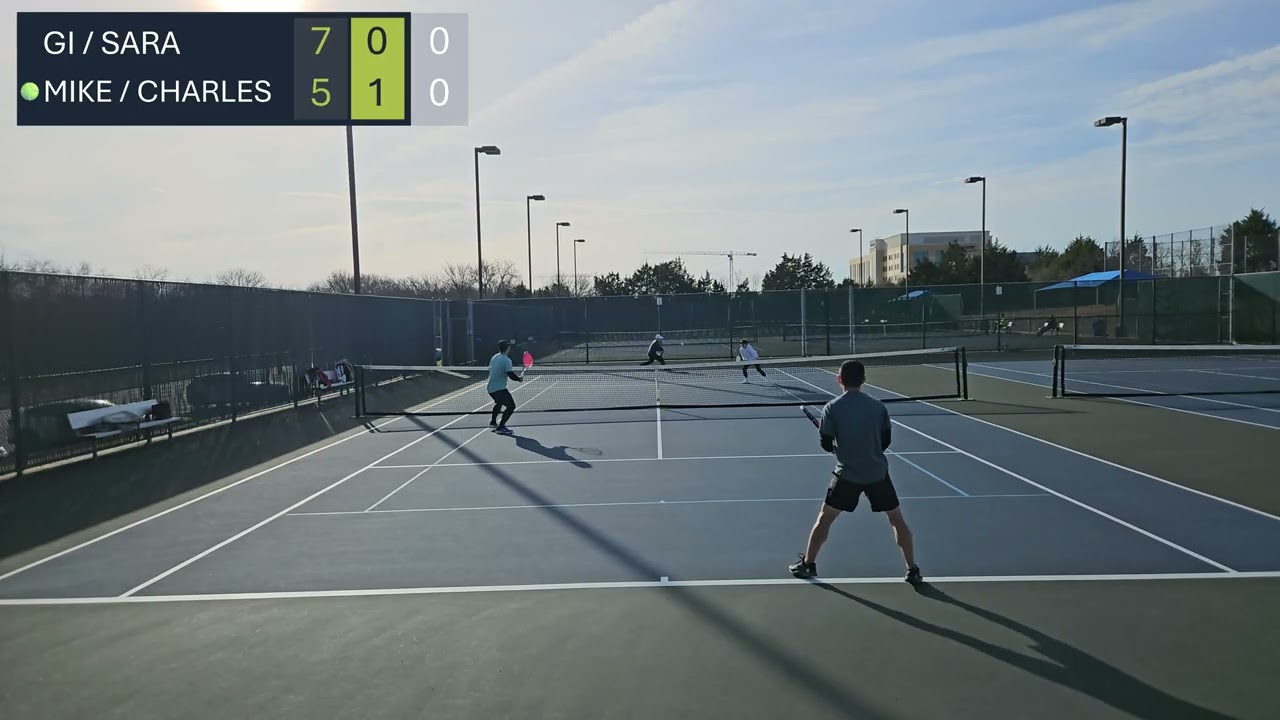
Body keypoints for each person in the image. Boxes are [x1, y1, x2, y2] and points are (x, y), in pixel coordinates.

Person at [789, 359, 922, 585]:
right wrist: (868, 453)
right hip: (877, 473)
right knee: (896, 520)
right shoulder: (878, 407)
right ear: (864, 380)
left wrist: (840, 450)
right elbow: (885, 441)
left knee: (825, 519)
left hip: (847, 475)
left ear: (839, 379)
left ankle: (808, 564)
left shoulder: (832, 408)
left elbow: (825, 443)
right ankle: (912, 569)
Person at [487, 340, 524, 434]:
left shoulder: (494, 357)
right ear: (508, 348)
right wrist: (519, 379)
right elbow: (510, 374)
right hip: (499, 389)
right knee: (511, 406)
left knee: (499, 403)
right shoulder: (507, 360)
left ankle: (493, 423)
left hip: (490, 388)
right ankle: (501, 427)